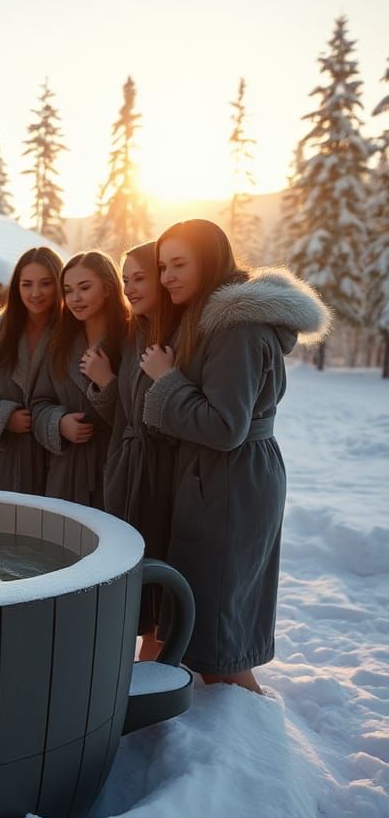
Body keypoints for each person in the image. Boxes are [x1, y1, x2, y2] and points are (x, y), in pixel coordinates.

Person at [139, 219, 330, 692]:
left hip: (231, 480)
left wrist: (166, 381)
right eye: (162, 266)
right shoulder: (213, 319)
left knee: (219, 640)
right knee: (204, 619)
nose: (166, 277)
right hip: (225, 478)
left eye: (179, 264)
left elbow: (226, 427)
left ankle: (252, 739)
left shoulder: (235, 328)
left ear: (211, 261)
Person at [81, 241, 180, 660]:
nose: (131, 288)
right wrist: (105, 382)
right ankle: (139, 657)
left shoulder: (179, 335)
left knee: (156, 573)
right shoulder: (135, 333)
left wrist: (168, 379)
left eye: (140, 278)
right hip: (126, 467)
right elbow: (124, 413)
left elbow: (178, 413)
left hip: (161, 472)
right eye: (125, 280)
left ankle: (153, 661)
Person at [0, 246, 64, 494]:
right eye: (27, 284)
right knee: (2, 528)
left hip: (57, 462)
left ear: (59, 284)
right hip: (5, 465)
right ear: (17, 287)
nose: (35, 293)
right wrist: (4, 418)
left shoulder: (72, 336)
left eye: (45, 283)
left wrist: (52, 421)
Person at [31, 250, 131, 507]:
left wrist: (107, 383)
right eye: (68, 290)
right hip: (65, 476)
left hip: (115, 471)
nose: (75, 298)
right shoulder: (59, 344)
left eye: (84, 287)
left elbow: (138, 419)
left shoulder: (131, 339)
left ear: (108, 288)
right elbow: (39, 403)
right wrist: (59, 423)